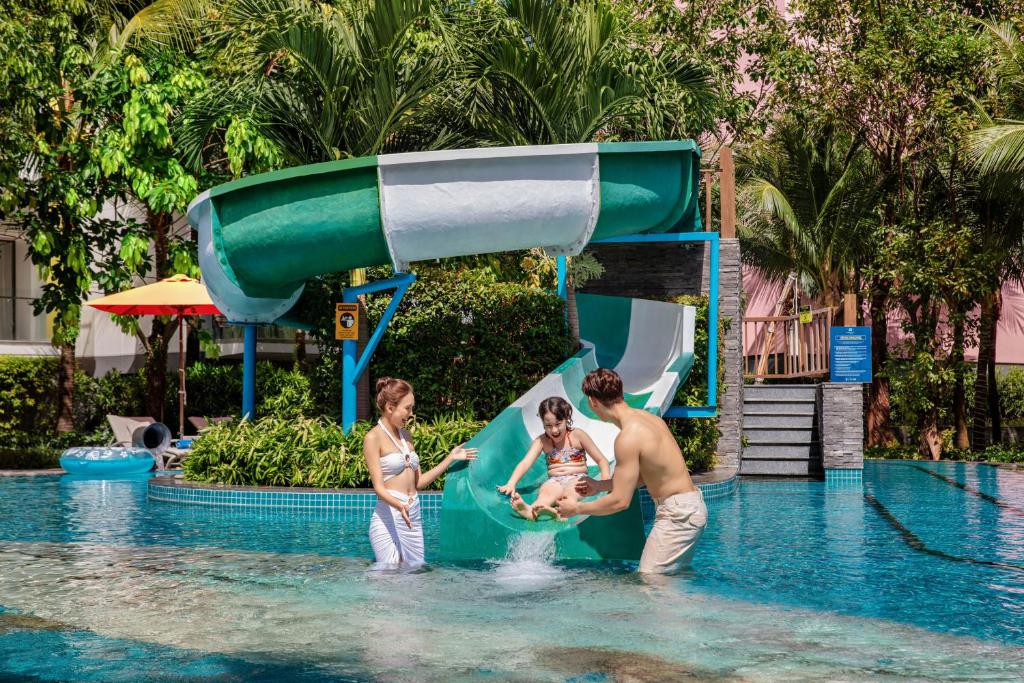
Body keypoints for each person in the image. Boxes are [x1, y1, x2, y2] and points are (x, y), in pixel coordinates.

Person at [556, 368, 707, 574]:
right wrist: (600, 485)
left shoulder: (628, 437)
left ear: (593, 401)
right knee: (668, 581)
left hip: (678, 516)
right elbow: (646, 476)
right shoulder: (649, 419)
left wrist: (576, 508)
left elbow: (620, 501)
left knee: (649, 583)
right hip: (689, 507)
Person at [364, 377, 477, 568]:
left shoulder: (406, 436)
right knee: (389, 574)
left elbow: (419, 482)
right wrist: (399, 505)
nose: (411, 413)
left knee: (415, 572)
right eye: (407, 408)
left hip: (412, 514)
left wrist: (450, 458)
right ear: (390, 407)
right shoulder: (373, 437)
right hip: (389, 517)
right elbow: (379, 488)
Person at [496, 396, 610, 520]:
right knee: (546, 493)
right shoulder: (541, 441)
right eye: (548, 425)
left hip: (577, 478)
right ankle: (532, 510)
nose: (554, 430)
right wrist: (511, 483)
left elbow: (601, 460)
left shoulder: (578, 435)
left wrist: (604, 482)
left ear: (566, 419)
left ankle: (563, 511)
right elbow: (525, 463)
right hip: (555, 480)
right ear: (543, 424)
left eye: (558, 424)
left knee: (573, 492)